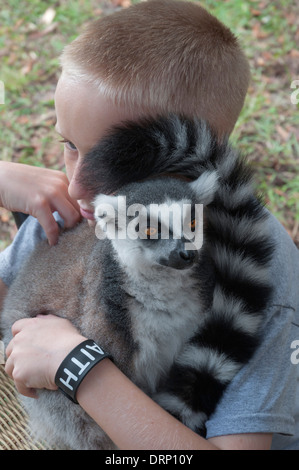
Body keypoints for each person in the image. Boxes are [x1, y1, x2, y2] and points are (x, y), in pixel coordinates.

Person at [0, 0, 298, 450]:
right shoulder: (85, 209)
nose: (79, 186)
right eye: (69, 145)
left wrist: (77, 366)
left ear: (193, 158)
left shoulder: (262, 271)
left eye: (111, 164)